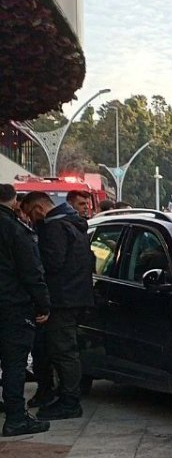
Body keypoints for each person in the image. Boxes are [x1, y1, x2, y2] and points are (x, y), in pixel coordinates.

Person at [20, 191, 95, 421]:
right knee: (66, 350)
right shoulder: (74, 225)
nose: (31, 220)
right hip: (77, 296)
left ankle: (70, 401)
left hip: (62, 300)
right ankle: (66, 396)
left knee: (64, 351)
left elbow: (51, 265)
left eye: (31, 214)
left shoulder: (54, 228)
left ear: (39, 208)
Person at [0, 184, 50, 436]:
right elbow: (31, 271)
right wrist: (43, 303)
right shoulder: (14, 229)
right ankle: (17, 418)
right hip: (12, 306)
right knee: (14, 363)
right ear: (15, 202)